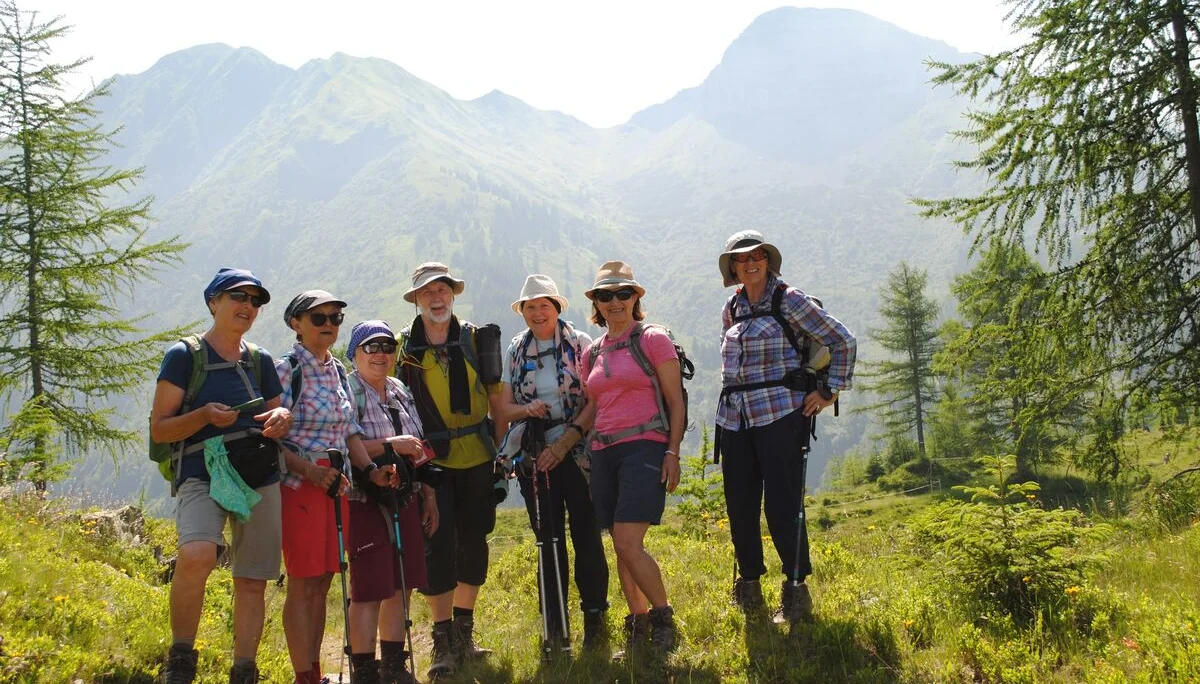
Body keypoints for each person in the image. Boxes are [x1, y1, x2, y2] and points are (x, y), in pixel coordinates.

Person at [151, 267, 293, 684]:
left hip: (258, 472)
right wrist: (202, 416)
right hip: (201, 469)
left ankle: (244, 670)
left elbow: (276, 411)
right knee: (197, 554)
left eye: (255, 301)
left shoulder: (261, 360)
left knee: (253, 576)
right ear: (213, 302)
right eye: (238, 297)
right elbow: (160, 427)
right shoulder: (184, 357)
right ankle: (181, 658)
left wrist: (282, 416)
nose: (247, 306)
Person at [715, 230, 856, 624]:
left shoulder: (789, 300)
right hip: (735, 418)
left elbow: (842, 340)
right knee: (740, 505)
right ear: (733, 267)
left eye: (757, 255)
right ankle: (749, 587)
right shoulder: (732, 308)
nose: (750, 263)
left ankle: (795, 592)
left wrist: (829, 391)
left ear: (767, 259)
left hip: (779, 414)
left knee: (781, 505)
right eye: (741, 259)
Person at [276, 291, 397, 684]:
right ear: (296, 323)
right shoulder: (286, 370)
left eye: (335, 318)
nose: (328, 324)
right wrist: (310, 472)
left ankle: (313, 670)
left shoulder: (335, 370)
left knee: (324, 580)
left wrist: (370, 470)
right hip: (301, 486)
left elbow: (349, 433)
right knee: (303, 581)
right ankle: (303, 675)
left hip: (336, 486)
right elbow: (270, 440)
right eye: (318, 318)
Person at [394, 263, 505, 679]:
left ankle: (463, 630)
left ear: (453, 295)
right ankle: (443, 640)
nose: (437, 298)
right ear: (417, 300)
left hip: (477, 456)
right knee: (436, 547)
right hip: (431, 464)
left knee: (474, 542)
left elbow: (497, 399)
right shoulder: (404, 348)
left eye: (443, 290)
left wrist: (498, 452)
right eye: (428, 293)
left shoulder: (476, 340)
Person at [496, 274, 609, 656]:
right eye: (530, 306)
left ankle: (595, 618)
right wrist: (527, 410)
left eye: (544, 304)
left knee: (586, 536)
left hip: (579, 452)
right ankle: (555, 629)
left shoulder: (582, 344)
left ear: (557, 308)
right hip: (534, 456)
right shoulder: (515, 349)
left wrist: (565, 442)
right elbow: (504, 408)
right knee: (548, 540)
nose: (537, 311)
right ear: (523, 312)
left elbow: (596, 401)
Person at [580, 261, 684, 660]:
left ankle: (663, 619)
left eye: (623, 293)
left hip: (646, 445)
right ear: (597, 303)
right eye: (605, 295)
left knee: (627, 540)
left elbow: (675, 402)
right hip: (604, 452)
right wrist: (567, 439)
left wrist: (672, 452)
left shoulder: (653, 339)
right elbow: (593, 406)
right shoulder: (592, 352)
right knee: (621, 546)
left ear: (636, 297)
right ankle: (637, 624)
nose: (615, 301)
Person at [345, 320, 440, 684]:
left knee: (402, 583)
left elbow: (418, 447)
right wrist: (391, 445)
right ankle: (365, 671)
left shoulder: (399, 389)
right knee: (369, 588)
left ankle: (393, 665)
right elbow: (345, 444)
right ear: (354, 354)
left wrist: (429, 496)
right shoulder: (349, 390)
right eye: (370, 347)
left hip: (406, 497)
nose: (381, 354)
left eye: (386, 346)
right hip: (364, 499)